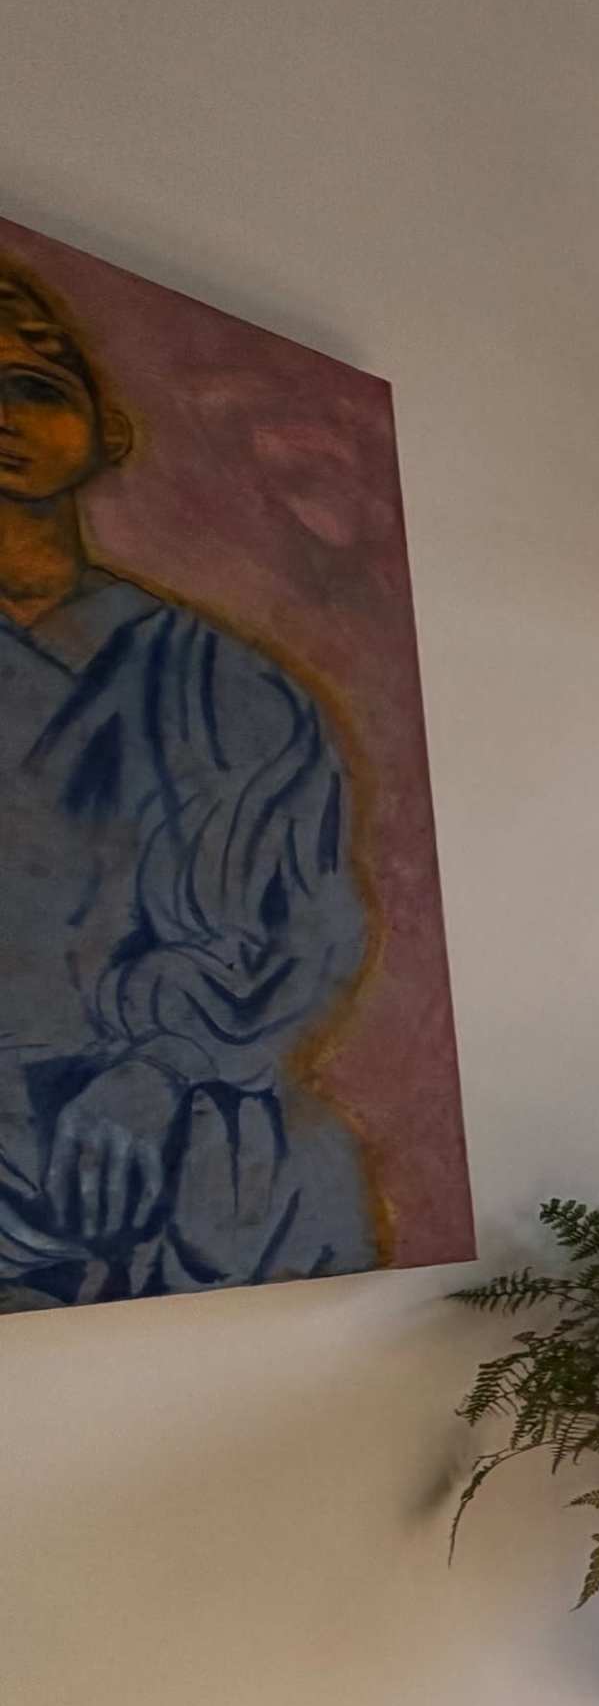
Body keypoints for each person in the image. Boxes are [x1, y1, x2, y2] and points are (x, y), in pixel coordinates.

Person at [0, 249, 372, 1306]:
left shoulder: (224, 686)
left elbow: (301, 932)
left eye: (34, 385)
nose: (6, 416)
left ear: (106, 430)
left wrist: (157, 1069)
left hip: (198, 1149)